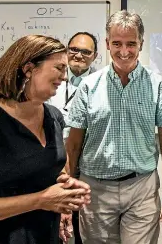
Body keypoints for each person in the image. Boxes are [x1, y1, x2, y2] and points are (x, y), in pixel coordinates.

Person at [65, 10, 162, 243]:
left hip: (142, 188)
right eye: (117, 43)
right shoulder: (88, 87)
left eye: (131, 44)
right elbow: (73, 144)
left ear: (141, 44)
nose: (124, 51)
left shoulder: (157, 85)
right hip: (95, 191)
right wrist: (67, 195)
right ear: (107, 44)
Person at [0, 35, 91, 244]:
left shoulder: (54, 117)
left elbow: (54, 167)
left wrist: (66, 186)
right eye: (59, 68)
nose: (65, 77)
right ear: (29, 69)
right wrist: (41, 200)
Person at [47, 31, 98, 244]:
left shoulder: (100, 84)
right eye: (74, 49)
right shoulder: (51, 80)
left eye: (86, 51)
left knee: (81, 227)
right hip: (50, 162)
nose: (79, 55)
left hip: (84, 165)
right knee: (52, 225)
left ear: (94, 56)